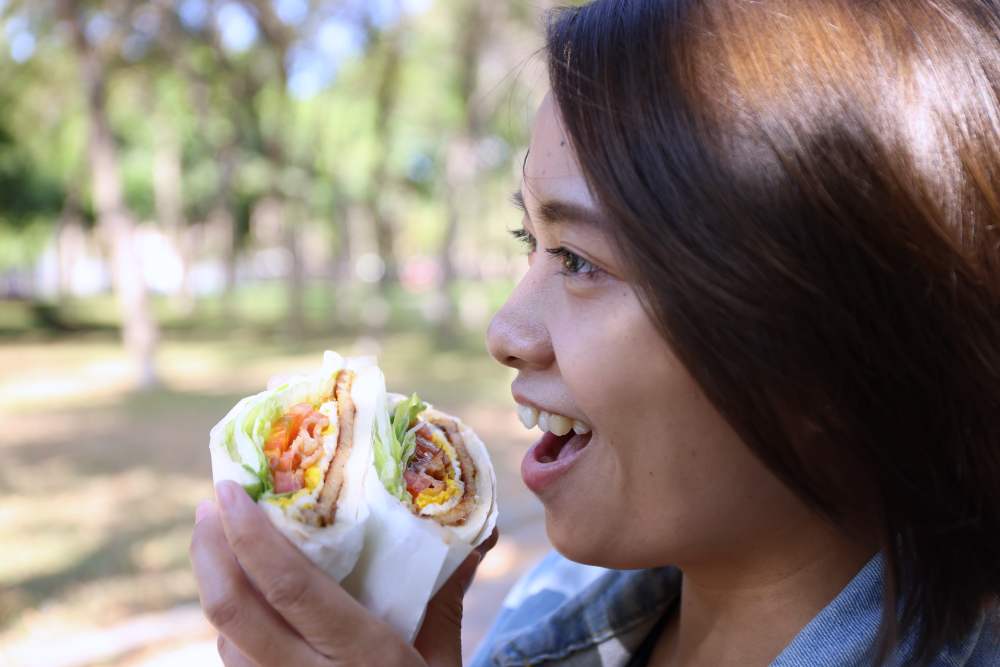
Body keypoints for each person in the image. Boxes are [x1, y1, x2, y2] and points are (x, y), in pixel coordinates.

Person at [190, 0, 1000, 665]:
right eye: (529, 243)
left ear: (837, 341)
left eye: (579, 259)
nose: (504, 330)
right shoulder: (550, 605)